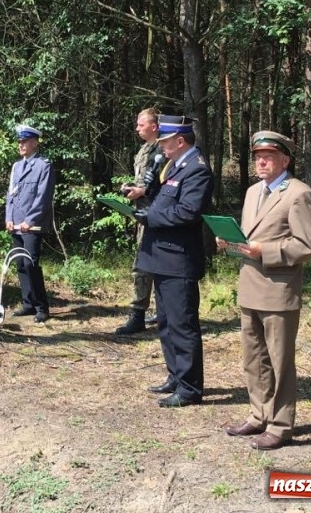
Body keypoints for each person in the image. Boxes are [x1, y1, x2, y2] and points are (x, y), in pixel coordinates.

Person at [219, 130, 311, 450]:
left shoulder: (299, 193)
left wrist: (266, 251)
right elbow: (250, 239)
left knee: (280, 362)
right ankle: (258, 415)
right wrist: (231, 244)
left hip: (278, 290)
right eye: (258, 156)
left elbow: (305, 246)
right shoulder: (252, 192)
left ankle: (280, 425)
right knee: (254, 359)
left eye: (269, 156)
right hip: (250, 286)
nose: (261, 161)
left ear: (285, 160)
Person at [133, 115, 213, 407]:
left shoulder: (197, 170)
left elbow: (187, 212)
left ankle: (190, 387)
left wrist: (149, 216)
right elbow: (163, 201)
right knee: (166, 322)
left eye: (165, 142)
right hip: (161, 257)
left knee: (182, 323)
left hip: (178, 259)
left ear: (180, 141)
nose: (162, 147)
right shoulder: (173, 166)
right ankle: (176, 377)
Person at [116, 107, 163, 335]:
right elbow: (144, 181)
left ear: (153, 126)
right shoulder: (144, 149)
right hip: (142, 214)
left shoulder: (163, 149)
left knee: (145, 265)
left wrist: (142, 191)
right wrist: (131, 189)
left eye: (140, 124)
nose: (137, 128)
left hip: (156, 215)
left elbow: (163, 185)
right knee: (146, 263)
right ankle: (155, 311)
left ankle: (138, 315)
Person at [5, 124, 55, 323]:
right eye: (19, 141)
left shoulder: (44, 166)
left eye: (24, 141)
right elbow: (11, 194)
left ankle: (42, 307)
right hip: (16, 223)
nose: (21, 145)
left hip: (31, 225)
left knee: (31, 262)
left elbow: (43, 197)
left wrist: (29, 221)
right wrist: (9, 218)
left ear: (35, 143)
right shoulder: (17, 166)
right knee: (20, 263)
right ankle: (28, 304)